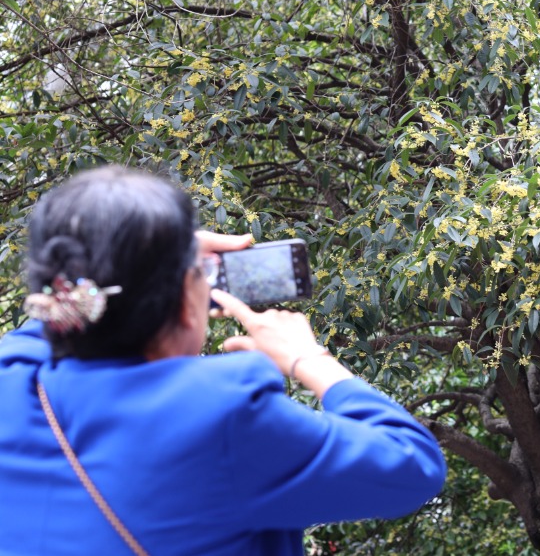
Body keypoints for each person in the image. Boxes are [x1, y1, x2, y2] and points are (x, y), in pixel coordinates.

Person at [0, 166, 446, 555]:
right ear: (182, 303)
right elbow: (413, 466)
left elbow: (47, 329)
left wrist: (151, 265)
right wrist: (308, 356)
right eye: (203, 274)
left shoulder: (13, 379)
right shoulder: (219, 413)